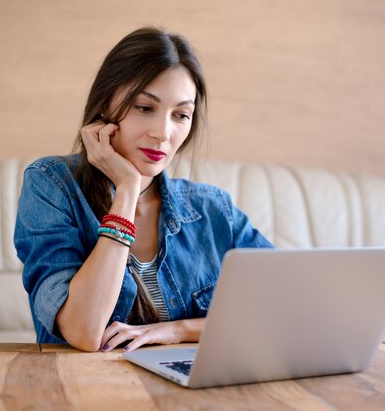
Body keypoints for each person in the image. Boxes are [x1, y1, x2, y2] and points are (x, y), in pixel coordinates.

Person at [14, 27, 273, 353]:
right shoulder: (51, 185)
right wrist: (126, 189)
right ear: (106, 103)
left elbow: (285, 309)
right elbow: (83, 330)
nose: (163, 133)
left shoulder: (213, 208)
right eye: (144, 107)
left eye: (181, 115)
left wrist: (179, 331)